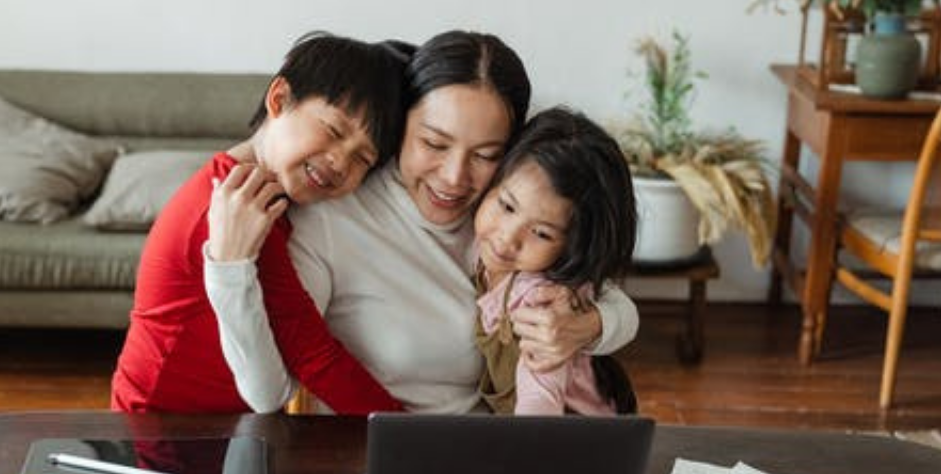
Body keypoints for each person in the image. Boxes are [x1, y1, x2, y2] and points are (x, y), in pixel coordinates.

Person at [206, 31, 640, 414]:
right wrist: (229, 270)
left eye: (486, 155)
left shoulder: (503, 216)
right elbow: (269, 392)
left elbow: (615, 302)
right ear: (399, 127)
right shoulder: (332, 218)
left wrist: (589, 327)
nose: (454, 178)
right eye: (434, 143)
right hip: (371, 464)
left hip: (488, 458)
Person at [111, 32, 411, 413]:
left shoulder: (267, 194)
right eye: (334, 131)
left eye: (362, 159)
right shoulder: (235, 208)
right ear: (279, 99)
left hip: (209, 427)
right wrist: (413, 440)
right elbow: (310, 362)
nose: (339, 161)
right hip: (160, 432)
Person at [472, 107, 638, 416]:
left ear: (573, 247)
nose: (507, 238)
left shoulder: (540, 300)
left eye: (541, 233)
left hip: (580, 441)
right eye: (507, 206)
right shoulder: (483, 255)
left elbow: (541, 400)